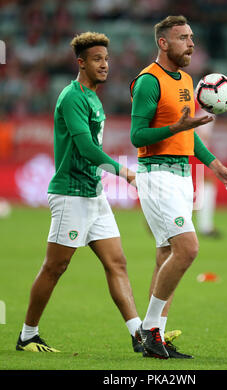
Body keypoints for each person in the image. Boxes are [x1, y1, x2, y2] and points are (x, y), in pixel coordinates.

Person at [16, 32, 143, 353]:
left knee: (118, 263)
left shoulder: (92, 97)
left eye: (107, 59)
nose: (105, 65)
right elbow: (86, 149)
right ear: (81, 63)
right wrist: (125, 172)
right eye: (97, 59)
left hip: (93, 193)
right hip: (71, 194)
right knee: (55, 267)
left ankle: (139, 334)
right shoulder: (72, 96)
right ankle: (28, 335)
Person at [130, 15, 227, 359]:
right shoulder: (149, 81)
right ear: (163, 43)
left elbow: (187, 132)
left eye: (191, 37)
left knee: (167, 254)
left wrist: (215, 164)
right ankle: (148, 331)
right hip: (157, 174)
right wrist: (175, 127)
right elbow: (137, 136)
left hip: (181, 175)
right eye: (182, 38)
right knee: (188, 249)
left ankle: (155, 336)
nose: (191, 43)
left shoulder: (188, 80)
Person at [190, 100, 222, 238]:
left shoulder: (211, 103)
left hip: (198, 148)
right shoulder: (195, 101)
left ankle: (162, 219)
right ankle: (205, 226)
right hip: (193, 149)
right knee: (206, 183)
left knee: (202, 185)